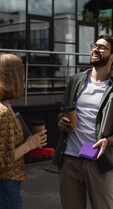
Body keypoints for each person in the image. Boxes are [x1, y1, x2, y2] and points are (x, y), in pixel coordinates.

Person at [53, 34, 113, 209]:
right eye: (95, 45)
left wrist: (108, 141)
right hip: (69, 159)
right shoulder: (75, 80)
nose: (95, 49)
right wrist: (61, 121)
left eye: (102, 47)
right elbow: (63, 111)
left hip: (98, 161)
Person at [0, 53, 47, 209]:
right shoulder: (3, 112)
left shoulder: (6, 105)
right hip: (6, 184)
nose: (24, 78)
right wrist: (29, 144)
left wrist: (32, 142)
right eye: (21, 73)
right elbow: (3, 159)